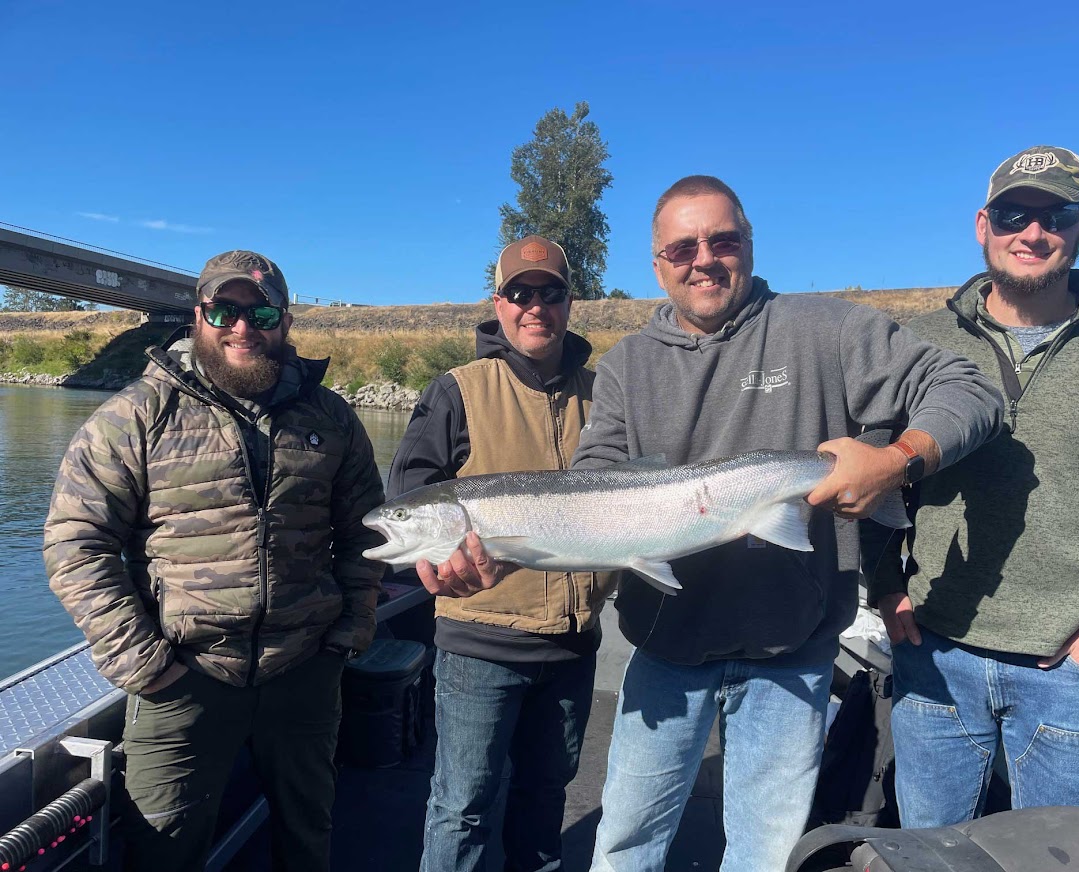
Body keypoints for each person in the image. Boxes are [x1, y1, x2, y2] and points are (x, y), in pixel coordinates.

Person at [569, 175, 1005, 872]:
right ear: (657, 265)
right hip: (666, 648)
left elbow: (971, 391)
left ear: (748, 244)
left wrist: (896, 460)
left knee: (764, 857)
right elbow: (593, 479)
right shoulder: (626, 366)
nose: (704, 259)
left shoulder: (826, 330)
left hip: (792, 652)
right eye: (682, 247)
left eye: (723, 240)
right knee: (623, 848)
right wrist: (511, 543)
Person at [43, 250, 386, 872]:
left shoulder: (332, 418)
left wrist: (349, 631)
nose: (242, 326)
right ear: (197, 316)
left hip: (307, 672)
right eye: (223, 310)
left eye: (260, 311)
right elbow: (76, 541)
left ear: (284, 319)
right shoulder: (136, 417)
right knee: (162, 855)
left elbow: (367, 534)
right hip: (181, 680)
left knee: (308, 842)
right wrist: (142, 662)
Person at [871, 146, 1079, 827]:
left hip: (1071, 676)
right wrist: (884, 584)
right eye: (1013, 214)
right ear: (982, 224)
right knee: (930, 854)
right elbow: (872, 477)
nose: (1033, 233)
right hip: (933, 658)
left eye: (1054, 215)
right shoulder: (918, 342)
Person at [384, 235, 619, 872]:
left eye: (550, 293)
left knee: (546, 803)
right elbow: (408, 497)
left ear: (571, 303)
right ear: (498, 303)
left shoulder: (608, 394)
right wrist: (434, 567)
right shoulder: (456, 390)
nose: (534, 306)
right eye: (520, 293)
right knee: (461, 808)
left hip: (573, 644)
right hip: (478, 642)